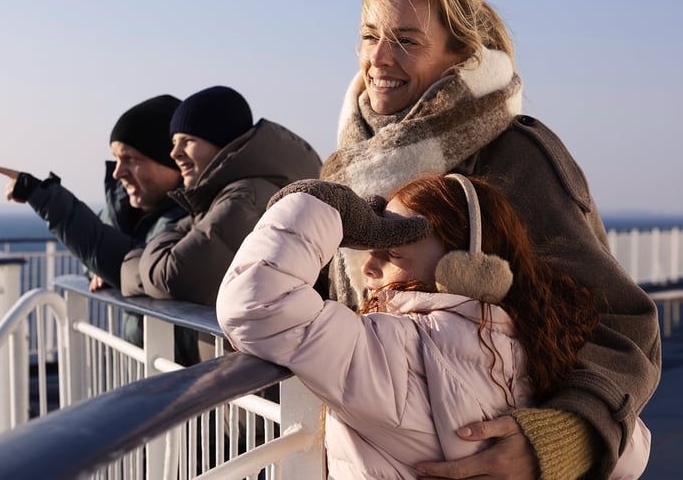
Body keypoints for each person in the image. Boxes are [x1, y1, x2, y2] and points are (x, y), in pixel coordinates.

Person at [316, 0, 661, 479]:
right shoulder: (352, 163)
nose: (379, 58)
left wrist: (567, 434)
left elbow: (623, 321)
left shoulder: (514, 156)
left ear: (460, 55)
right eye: (369, 36)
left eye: (407, 40)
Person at [217, 175, 650, 479]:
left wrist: (321, 205)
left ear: (464, 268)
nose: (368, 265)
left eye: (393, 252)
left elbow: (258, 302)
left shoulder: (402, 351)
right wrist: (553, 446)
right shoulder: (536, 341)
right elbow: (632, 450)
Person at [0, 95, 200, 365]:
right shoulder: (124, 209)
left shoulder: (192, 217)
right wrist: (103, 268)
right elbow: (99, 254)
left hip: (186, 382)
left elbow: (124, 259)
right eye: (116, 158)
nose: (118, 173)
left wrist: (41, 196)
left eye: (130, 158)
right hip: (147, 374)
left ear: (169, 160)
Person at [119, 85, 322, 308]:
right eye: (174, 142)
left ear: (222, 142)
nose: (174, 153)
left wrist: (134, 265)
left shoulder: (246, 197)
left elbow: (176, 278)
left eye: (187, 140)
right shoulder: (227, 196)